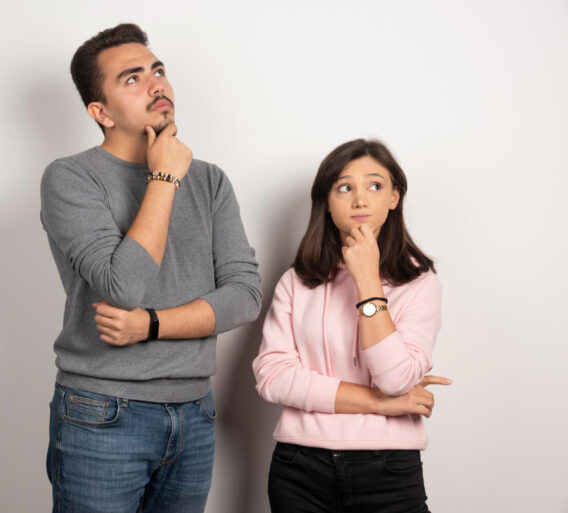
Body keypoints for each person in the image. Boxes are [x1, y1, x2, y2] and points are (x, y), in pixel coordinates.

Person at [40, 23, 261, 513]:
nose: (156, 84)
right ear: (100, 112)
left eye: (158, 70)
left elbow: (244, 295)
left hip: (195, 412)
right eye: (132, 78)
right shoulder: (70, 178)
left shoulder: (209, 180)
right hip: (102, 414)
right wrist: (163, 176)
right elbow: (124, 286)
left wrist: (152, 325)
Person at [252, 139, 451, 512]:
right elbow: (272, 377)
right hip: (299, 469)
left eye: (374, 186)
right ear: (326, 200)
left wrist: (367, 281)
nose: (360, 200)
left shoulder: (420, 282)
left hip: (389, 470)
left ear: (394, 197)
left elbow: (396, 379)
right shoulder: (297, 281)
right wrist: (381, 404)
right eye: (345, 187)